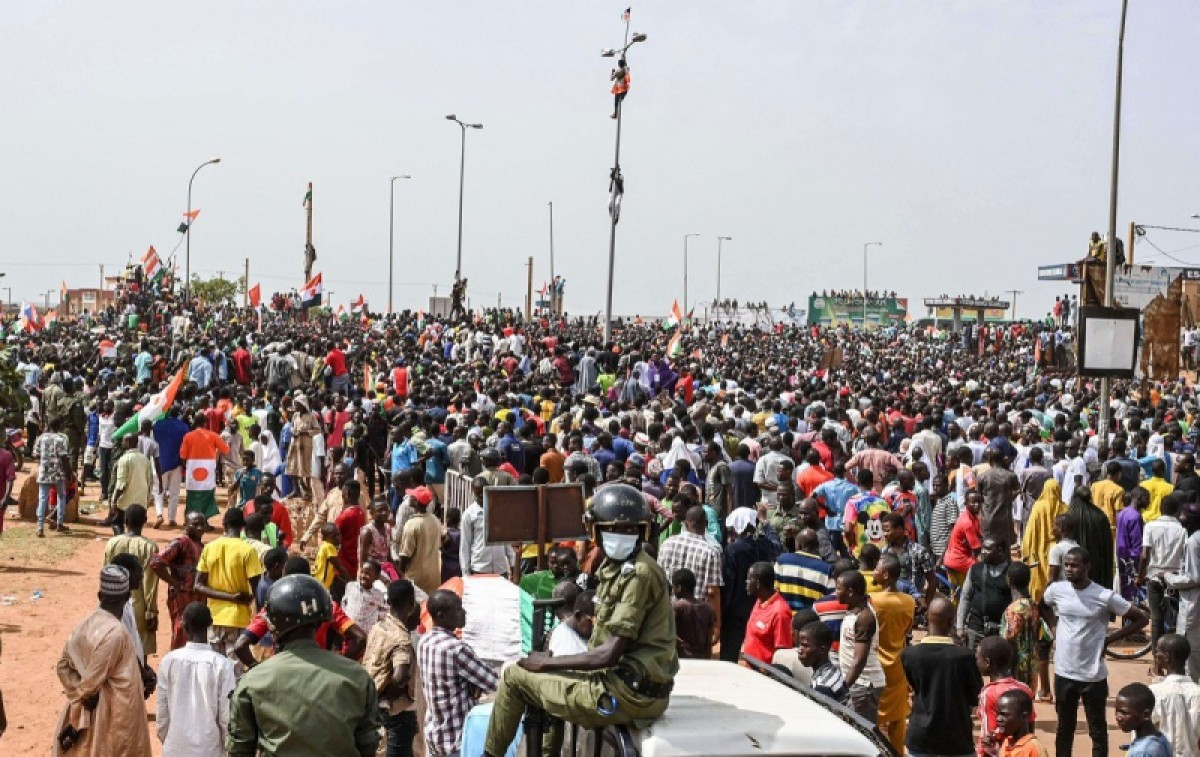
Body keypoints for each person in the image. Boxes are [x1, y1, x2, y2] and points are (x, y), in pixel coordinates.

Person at [484, 484, 679, 757]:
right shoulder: (619, 567)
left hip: (626, 693)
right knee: (541, 677)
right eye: (613, 530)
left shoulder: (638, 573)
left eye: (628, 530)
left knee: (515, 678)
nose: (621, 536)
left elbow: (608, 654)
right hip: (626, 682)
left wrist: (547, 662)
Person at [228, 575, 381, 755]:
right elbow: (368, 745)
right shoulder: (358, 676)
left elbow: (239, 749)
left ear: (273, 624)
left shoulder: (253, 681)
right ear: (321, 620)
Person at [1041, 546, 1149, 757]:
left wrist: (1109, 640)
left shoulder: (1104, 595)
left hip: (1092, 675)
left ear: (1087, 567)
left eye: (1075, 565)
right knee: (1064, 729)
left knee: (1097, 730)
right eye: (1067, 565)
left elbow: (1141, 619)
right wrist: (1054, 627)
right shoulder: (1056, 590)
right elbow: (1043, 606)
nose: (1070, 569)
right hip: (1064, 673)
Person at [53, 565, 153, 756]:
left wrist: (77, 691)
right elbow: (92, 682)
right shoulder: (116, 634)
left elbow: (62, 667)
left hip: (88, 707)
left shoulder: (83, 624)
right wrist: (84, 694)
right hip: (113, 715)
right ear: (126, 599)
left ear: (100, 596)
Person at [902, 596, 984, 757]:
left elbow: (914, 687)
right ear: (951, 621)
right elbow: (976, 697)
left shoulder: (909, 654)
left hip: (921, 735)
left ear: (927, 617)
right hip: (957, 735)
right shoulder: (965, 656)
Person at [423, 590, 500, 757]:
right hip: (456, 740)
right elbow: (495, 682)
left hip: (434, 736)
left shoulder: (425, 642)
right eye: (458, 609)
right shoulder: (456, 649)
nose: (464, 612)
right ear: (442, 616)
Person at [156, 601, 236, 757]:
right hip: (209, 750)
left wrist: (171, 741)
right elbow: (227, 717)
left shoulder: (168, 662)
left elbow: (162, 715)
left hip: (175, 748)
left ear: (184, 626)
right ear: (210, 625)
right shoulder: (222, 665)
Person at [194, 508, 263, 666]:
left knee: (215, 669)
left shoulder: (210, 547)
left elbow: (198, 586)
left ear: (224, 524)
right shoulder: (247, 550)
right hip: (238, 619)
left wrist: (227, 596)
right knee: (235, 671)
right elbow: (257, 587)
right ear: (243, 526)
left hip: (213, 617)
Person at [363, 580, 419, 757]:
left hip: (373, 704)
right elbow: (400, 675)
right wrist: (391, 693)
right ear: (411, 604)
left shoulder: (378, 627)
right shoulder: (401, 638)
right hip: (396, 713)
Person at [872, 553, 915, 753]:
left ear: (886, 575)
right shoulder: (909, 602)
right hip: (899, 665)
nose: (874, 572)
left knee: (875, 718)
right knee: (898, 717)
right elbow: (907, 631)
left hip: (876, 666)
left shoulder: (873, 601)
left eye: (877, 569)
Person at [103, 504, 160, 655]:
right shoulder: (149, 547)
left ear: (125, 520)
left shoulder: (112, 543)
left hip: (115, 603)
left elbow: (106, 573)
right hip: (138, 604)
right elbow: (150, 582)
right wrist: (151, 612)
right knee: (139, 651)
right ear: (145, 520)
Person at [657, 505, 723, 631]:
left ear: (686, 524)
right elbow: (712, 593)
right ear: (706, 524)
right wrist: (716, 626)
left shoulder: (666, 544)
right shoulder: (711, 552)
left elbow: (659, 580)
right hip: (696, 618)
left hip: (668, 614)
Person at [150, 510, 207, 649]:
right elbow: (156, 562)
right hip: (181, 598)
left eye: (202, 524)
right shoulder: (181, 543)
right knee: (181, 630)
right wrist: (174, 583)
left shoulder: (201, 546)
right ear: (185, 525)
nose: (199, 528)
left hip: (197, 598)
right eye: (195, 524)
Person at [834, 569, 885, 723]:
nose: (835, 592)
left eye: (838, 588)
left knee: (863, 733)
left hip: (864, 685)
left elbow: (859, 660)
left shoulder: (864, 618)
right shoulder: (854, 611)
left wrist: (842, 689)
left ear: (850, 592)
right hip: (858, 684)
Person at [1140, 494, 1188, 649]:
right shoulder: (1182, 530)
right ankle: (1173, 655)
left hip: (1154, 576)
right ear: (1177, 511)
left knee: (1156, 619)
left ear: (1160, 509)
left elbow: (1144, 555)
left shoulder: (1150, 526)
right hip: (1174, 579)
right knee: (1176, 618)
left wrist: (1140, 577)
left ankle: (1157, 657)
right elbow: (1185, 556)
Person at [976, 635, 1035, 757]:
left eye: (978, 658)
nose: (976, 662)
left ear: (987, 662)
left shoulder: (988, 693)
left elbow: (990, 733)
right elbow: (1030, 727)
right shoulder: (1024, 688)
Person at [1166, 499, 1200, 681]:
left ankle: (1192, 689)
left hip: (1193, 601)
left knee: (1189, 647)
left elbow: (1193, 578)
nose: (1180, 518)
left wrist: (1169, 578)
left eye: (1184, 516)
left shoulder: (1193, 542)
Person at [1149, 633, 1200, 757]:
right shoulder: (1197, 693)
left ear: (1166, 657)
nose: (1155, 655)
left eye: (1158, 652)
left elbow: (1145, 736)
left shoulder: (1154, 693)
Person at [958, 537, 1012, 649]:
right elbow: (965, 598)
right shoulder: (975, 570)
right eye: (982, 548)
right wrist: (960, 626)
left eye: (988, 549)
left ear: (1000, 551)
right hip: (976, 629)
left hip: (1002, 633)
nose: (983, 552)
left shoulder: (1012, 572)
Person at [178, 412, 231, 525]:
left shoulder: (188, 436)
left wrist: (187, 467)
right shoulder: (213, 435)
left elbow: (182, 456)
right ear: (205, 423)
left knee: (192, 494)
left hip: (192, 469)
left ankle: (189, 519)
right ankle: (204, 521)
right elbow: (226, 449)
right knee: (208, 494)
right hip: (208, 470)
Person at [1021, 478, 1065, 604]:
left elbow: (1030, 532)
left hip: (1039, 550)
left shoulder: (1038, 507)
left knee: (1039, 581)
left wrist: (1027, 551)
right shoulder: (1064, 508)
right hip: (1058, 549)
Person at [741, 561, 792, 665]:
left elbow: (783, 652)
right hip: (750, 670)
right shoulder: (760, 600)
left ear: (758, 584)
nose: (746, 582)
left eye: (749, 578)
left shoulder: (780, 612)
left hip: (764, 676)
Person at [396, 484, 443, 596]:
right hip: (434, 576)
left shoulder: (412, 524)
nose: (409, 498)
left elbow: (405, 555)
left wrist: (400, 573)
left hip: (416, 579)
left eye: (412, 497)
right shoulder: (435, 520)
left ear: (416, 502)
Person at [775, 527, 835, 612]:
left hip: (786, 619)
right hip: (811, 622)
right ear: (817, 546)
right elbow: (830, 600)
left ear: (799, 545)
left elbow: (775, 591)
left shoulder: (782, 561)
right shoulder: (826, 569)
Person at [1066, 486, 1115, 590]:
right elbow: (1107, 546)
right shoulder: (1100, 516)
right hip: (1096, 565)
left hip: (1075, 564)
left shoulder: (1069, 516)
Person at [33, 415, 73, 537]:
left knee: (42, 498)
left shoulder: (41, 438)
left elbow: (35, 455)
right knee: (61, 496)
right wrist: (69, 473)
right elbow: (64, 457)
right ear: (59, 426)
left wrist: (45, 460)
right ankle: (59, 524)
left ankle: (40, 527)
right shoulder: (61, 439)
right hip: (58, 472)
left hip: (44, 472)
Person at [796, 620, 849, 703]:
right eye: (800, 645)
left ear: (822, 650)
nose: (799, 650)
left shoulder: (823, 687)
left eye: (805, 646)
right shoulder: (833, 670)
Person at [1115, 683, 1173, 757]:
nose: (1118, 717)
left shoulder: (1142, 752)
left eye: (1124, 713)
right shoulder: (1160, 739)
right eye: (1117, 711)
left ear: (1145, 715)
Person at [671, 568, 716, 659]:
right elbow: (708, 641)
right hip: (702, 659)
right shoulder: (708, 609)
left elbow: (669, 635)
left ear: (679, 588)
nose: (673, 590)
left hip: (682, 660)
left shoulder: (676, 607)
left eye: (674, 587)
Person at [994, 689, 1048, 757]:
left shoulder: (1033, 748)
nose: (998, 718)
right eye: (998, 714)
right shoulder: (1007, 742)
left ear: (1024, 716)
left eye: (1004, 714)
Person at [548, 590, 595, 657]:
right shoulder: (566, 645)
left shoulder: (582, 633)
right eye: (594, 621)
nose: (597, 626)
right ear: (578, 616)